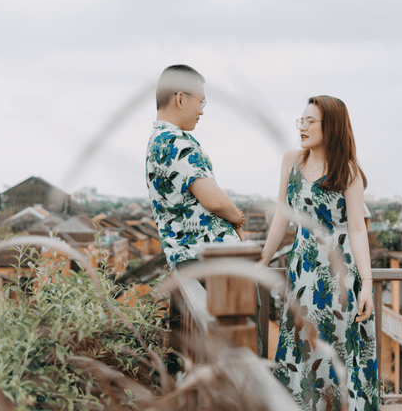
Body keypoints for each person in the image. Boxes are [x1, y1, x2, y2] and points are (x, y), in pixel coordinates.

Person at [259, 96, 378, 411]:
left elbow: (356, 229)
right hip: (302, 273)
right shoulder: (291, 161)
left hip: (340, 275)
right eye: (301, 120)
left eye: (311, 120)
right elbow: (282, 216)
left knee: (335, 351)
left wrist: (366, 284)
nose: (303, 126)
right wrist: (262, 260)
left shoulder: (348, 171)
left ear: (332, 126)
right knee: (302, 349)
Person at [146, 64, 245, 271]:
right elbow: (215, 201)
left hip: (192, 260)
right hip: (209, 261)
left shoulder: (158, 140)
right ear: (181, 98)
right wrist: (236, 216)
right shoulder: (175, 142)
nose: (201, 111)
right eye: (201, 102)